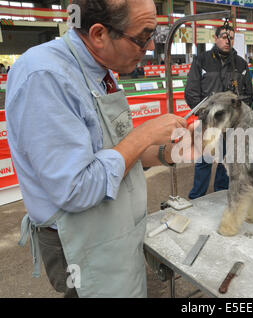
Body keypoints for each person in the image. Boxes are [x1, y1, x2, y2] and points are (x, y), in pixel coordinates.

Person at [6, 0, 195, 298]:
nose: (147, 48)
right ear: (98, 34)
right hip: (83, 244)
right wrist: (144, 134)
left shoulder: (98, 69)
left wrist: (170, 152)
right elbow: (76, 188)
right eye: (141, 37)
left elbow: (115, 153)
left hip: (114, 231)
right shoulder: (46, 77)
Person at [185, 25, 253, 200]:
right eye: (223, 36)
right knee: (204, 160)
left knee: (227, 159)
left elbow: (248, 94)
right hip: (209, 122)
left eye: (230, 37)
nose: (227, 40)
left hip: (231, 123)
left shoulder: (240, 63)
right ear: (215, 38)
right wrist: (206, 116)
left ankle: (220, 194)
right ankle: (197, 197)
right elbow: (191, 92)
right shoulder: (202, 60)